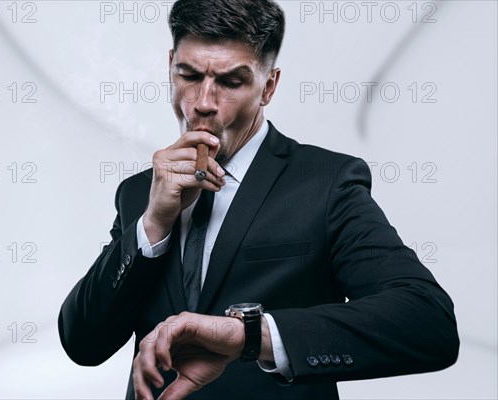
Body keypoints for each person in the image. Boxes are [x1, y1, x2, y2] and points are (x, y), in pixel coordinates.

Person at [58, 0, 459, 398]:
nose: (203, 102)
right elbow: (83, 343)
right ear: (170, 67)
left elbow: (428, 322)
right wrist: (153, 225)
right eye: (189, 75)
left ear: (268, 86)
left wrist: (251, 335)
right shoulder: (138, 193)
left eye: (231, 82)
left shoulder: (326, 183)